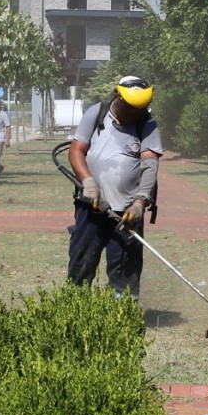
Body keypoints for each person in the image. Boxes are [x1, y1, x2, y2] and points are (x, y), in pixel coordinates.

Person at [67, 75, 163, 296]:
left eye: (139, 109)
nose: (133, 113)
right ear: (116, 96)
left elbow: (150, 165)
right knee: (81, 261)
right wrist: (88, 183)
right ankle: (75, 307)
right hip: (91, 206)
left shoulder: (146, 124)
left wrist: (139, 203)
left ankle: (123, 314)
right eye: (129, 107)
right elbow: (76, 151)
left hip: (126, 212)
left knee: (125, 268)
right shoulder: (97, 112)